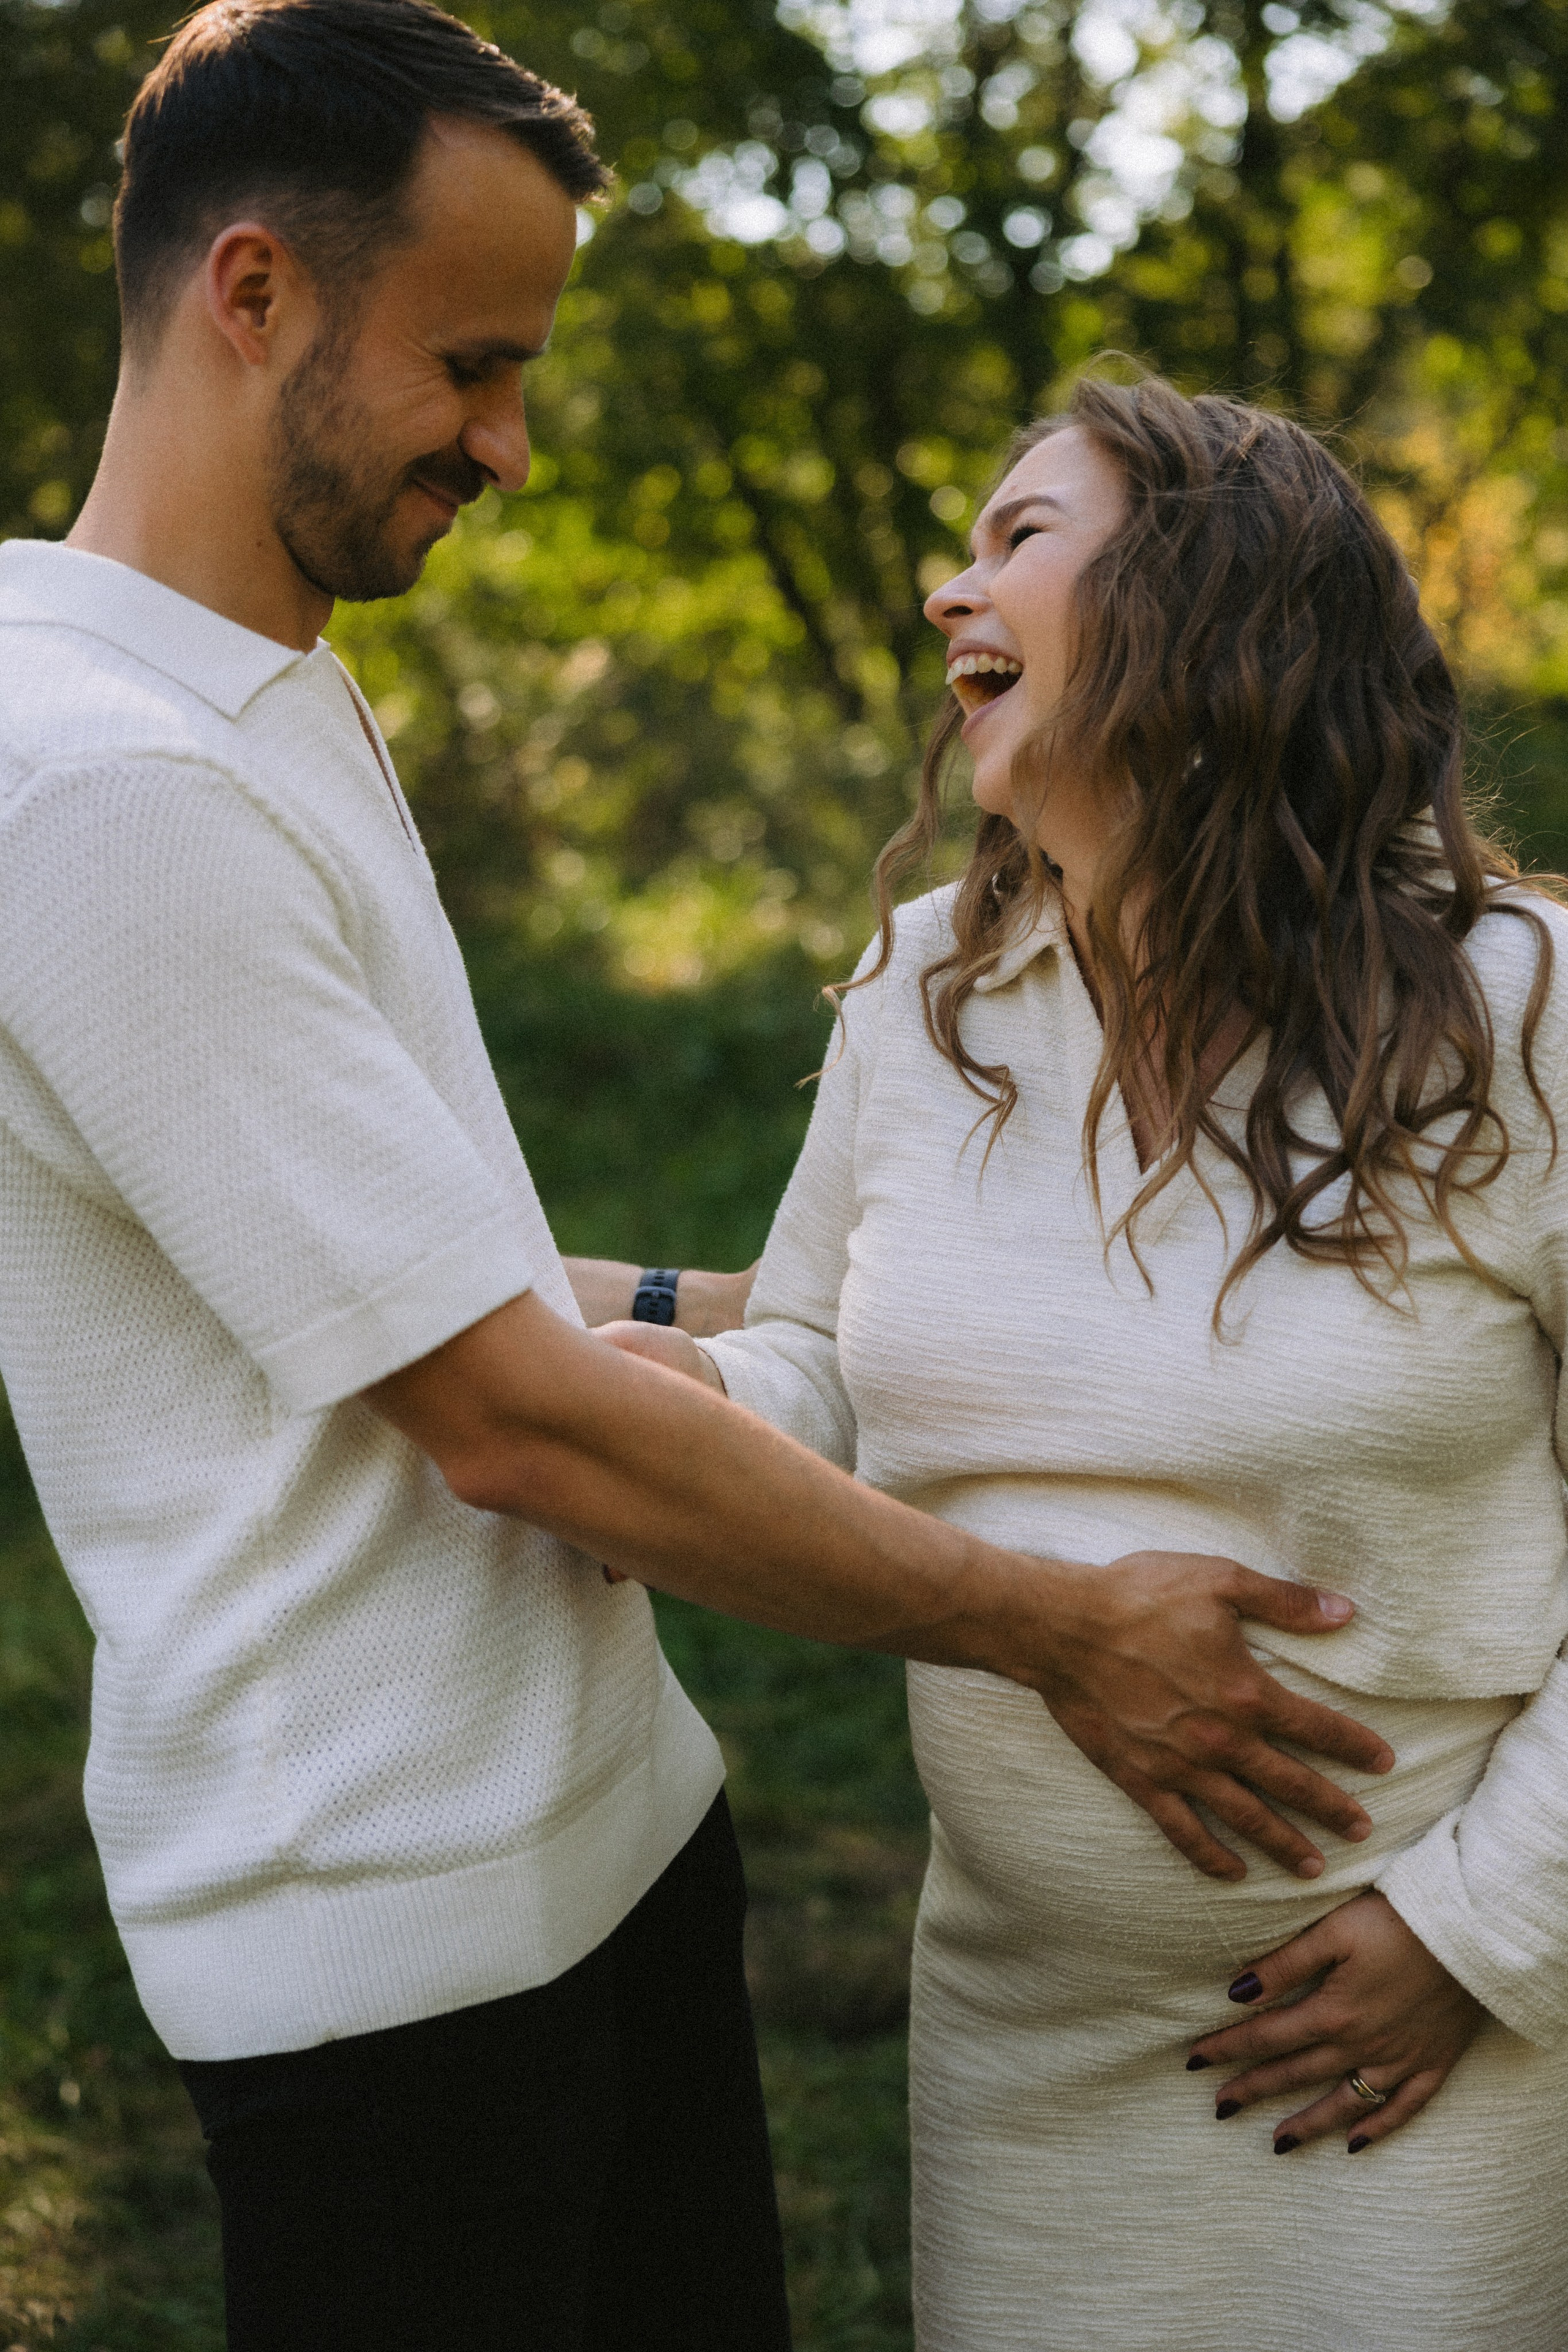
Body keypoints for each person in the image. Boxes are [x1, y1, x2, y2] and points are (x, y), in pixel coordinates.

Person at [0, 4, 1393, 2339]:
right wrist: (1060, 1634)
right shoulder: (103, 783)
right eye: (472, 363)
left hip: (606, 1839)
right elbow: (503, 1419)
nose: (513, 445)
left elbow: (428, 1277)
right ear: (253, 296)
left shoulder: (260, 689)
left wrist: (745, 1311)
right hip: (397, 1957)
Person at [614, 376, 1568, 2350]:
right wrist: (581, 1402)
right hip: (1022, 2038)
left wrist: (1479, 1936)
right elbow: (813, 1357)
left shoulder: (1523, 1015)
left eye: (1015, 536)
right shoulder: (920, 989)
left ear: (1214, 598)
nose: (946, 586)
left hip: (1422, 2036)